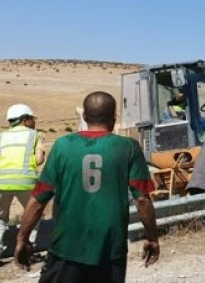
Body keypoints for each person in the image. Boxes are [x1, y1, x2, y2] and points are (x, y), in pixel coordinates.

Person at [13, 92, 160, 282]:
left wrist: (22, 239)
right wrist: (152, 238)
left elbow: (39, 199)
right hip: (110, 249)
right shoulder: (129, 147)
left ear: (84, 116)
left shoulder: (62, 146)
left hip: (66, 247)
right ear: (114, 117)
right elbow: (142, 199)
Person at [0, 104, 45, 270]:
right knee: (33, 215)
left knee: (0, 218)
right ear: (25, 120)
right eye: (32, 119)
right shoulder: (35, 135)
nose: (34, 122)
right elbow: (39, 160)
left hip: (1, 183)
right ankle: (28, 251)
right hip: (26, 181)